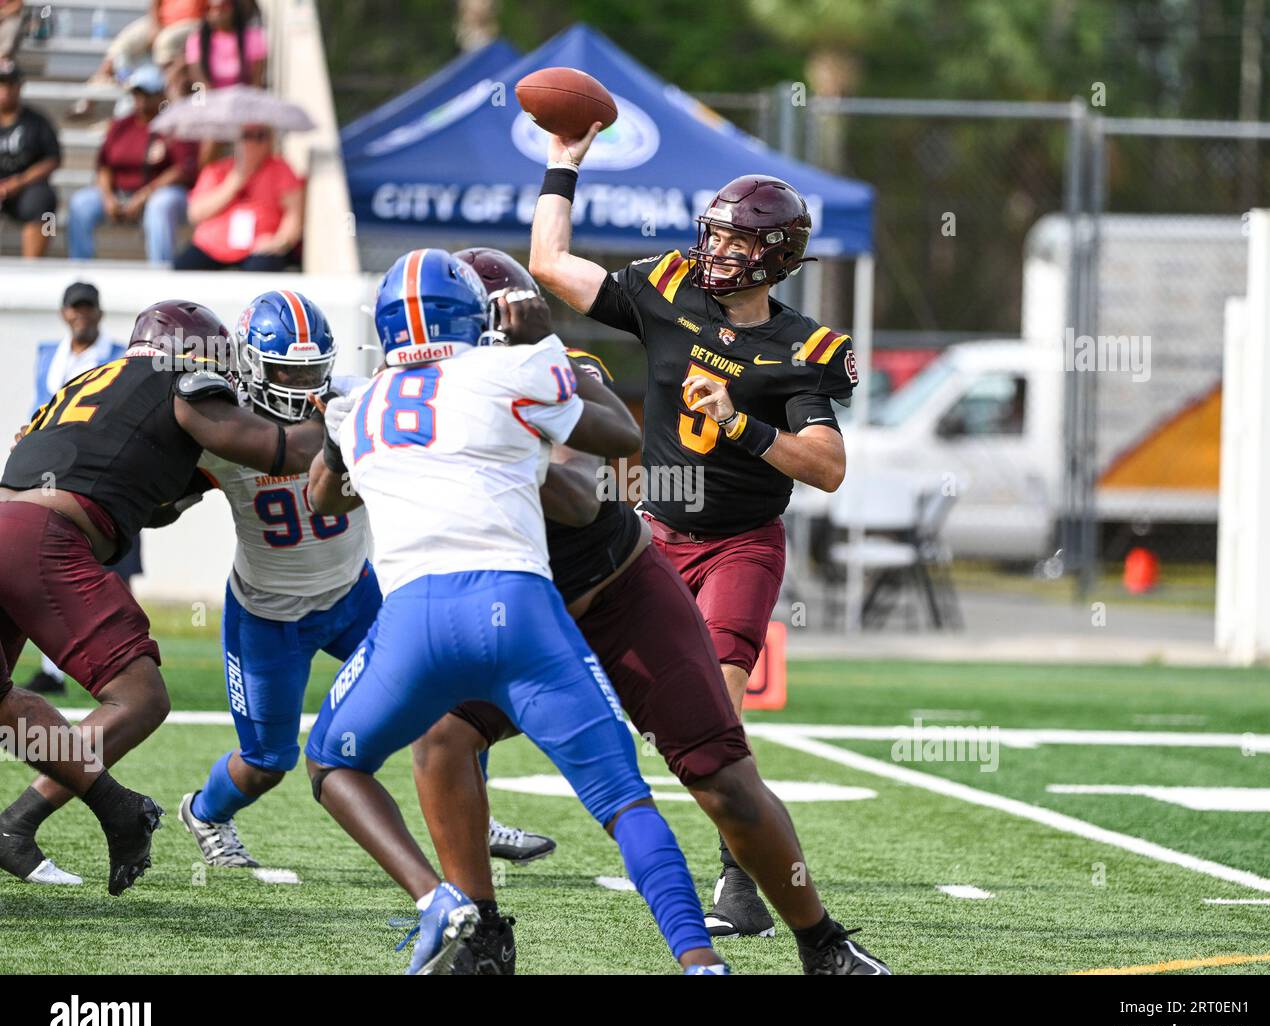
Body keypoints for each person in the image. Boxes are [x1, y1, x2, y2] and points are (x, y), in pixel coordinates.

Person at [413, 248, 890, 976]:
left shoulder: (558, 372)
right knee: (441, 736)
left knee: (717, 769)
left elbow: (598, 470)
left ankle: (821, 941)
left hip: (624, 585)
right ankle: (481, 928)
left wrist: (512, 459)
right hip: (531, 603)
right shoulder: (417, 400)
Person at [304, 248, 727, 975]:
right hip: (520, 607)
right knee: (624, 800)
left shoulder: (360, 402)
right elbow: (617, 439)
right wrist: (543, 345)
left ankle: (437, 897)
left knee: (329, 763)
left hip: (413, 621)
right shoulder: (504, 369)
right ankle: (699, 960)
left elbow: (323, 497)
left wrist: (335, 427)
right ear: (474, 315)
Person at [531, 126, 860, 938]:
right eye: (714, 233)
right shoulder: (668, 288)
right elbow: (550, 264)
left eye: (736, 239)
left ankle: (736, 877)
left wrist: (744, 423)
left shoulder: (800, 347)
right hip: (652, 532)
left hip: (742, 540)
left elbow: (826, 466)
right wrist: (564, 163)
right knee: (533, 659)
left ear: (776, 255)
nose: (715, 250)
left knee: (718, 709)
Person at [171, 289, 550, 870]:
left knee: (454, 698)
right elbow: (157, 490)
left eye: (310, 371)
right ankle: (205, 811)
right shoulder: (225, 431)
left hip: (355, 594)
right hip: (267, 615)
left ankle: (478, 816)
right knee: (268, 760)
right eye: (282, 371)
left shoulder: (354, 398)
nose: (300, 388)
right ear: (250, 365)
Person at [0, 299, 324, 889]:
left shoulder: (92, 382)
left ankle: (14, 829)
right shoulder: (185, 381)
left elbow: (148, 505)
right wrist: (346, 414)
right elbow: (290, 451)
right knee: (141, 697)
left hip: (7, 520)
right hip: (45, 539)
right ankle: (118, 814)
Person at [24, 282, 132, 697]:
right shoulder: (48, 355)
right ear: (64, 312)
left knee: (112, 573)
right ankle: (53, 669)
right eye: (75, 308)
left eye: (88, 308)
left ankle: (124, 660)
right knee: (45, 570)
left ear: (100, 313)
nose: (81, 315)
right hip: (45, 475)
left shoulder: (117, 356)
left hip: (99, 479)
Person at [67, 65, 197, 264]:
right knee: (81, 203)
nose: (141, 100)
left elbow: (182, 170)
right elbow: (105, 165)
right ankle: (80, 268)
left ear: (161, 95)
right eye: (137, 94)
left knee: (160, 206)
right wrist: (108, 197)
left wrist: (144, 195)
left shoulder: (175, 125)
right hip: (121, 192)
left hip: (163, 193)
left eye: (147, 94)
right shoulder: (121, 125)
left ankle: (161, 270)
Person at [174, 125, 302, 271]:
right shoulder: (216, 169)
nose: (253, 143)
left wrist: (280, 242)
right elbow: (195, 214)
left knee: (264, 269)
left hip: (259, 249)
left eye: (261, 136)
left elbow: (293, 215)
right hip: (212, 247)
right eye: (247, 136)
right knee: (183, 267)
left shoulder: (281, 170)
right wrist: (236, 180)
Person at [81, 1, 205, 97]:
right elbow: (155, 4)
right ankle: (92, 94)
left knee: (165, 42)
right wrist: (155, 26)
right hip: (164, 22)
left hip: (192, 24)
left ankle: (163, 94)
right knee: (124, 43)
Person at [0, 59, 59, 258]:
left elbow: (53, 159)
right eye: (1, 84)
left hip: (26, 188)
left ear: (19, 86)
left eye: (10, 84)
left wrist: (20, 181)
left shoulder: (36, 121)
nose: (5, 90)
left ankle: (33, 267)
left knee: (46, 204)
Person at [185, 0, 266, 92]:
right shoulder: (196, 40)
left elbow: (256, 82)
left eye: (224, 7)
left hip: (244, 98)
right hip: (211, 100)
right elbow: (199, 79)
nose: (217, 12)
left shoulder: (253, 37)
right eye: (210, 8)